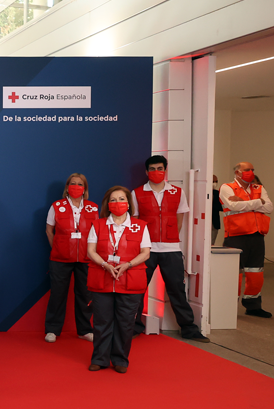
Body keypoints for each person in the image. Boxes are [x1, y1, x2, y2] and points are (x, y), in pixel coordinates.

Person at [132, 156, 210, 341]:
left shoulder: (177, 192)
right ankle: (134, 326)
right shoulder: (136, 193)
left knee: (177, 289)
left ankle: (189, 329)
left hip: (171, 248)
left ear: (165, 170)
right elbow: (134, 221)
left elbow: (179, 220)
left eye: (160, 168)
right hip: (145, 250)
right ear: (146, 172)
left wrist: (170, 239)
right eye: (152, 168)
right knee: (137, 289)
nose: (156, 172)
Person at [86, 186, 150, 373]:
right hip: (102, 279)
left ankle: (121, 359)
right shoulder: (97, 225)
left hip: (130, 280)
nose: (117, 203)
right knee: (101, 322)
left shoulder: (141, 226)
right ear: (108, 204)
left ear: (128, 203)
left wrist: (128, 264)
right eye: (113, 200)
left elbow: (145, 253)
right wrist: (105, 264)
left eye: (121, 199)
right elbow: (91, 251)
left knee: (125, 323)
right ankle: (100, 358)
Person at [44, 173, 97, 343]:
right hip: (60, 259)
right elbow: (49, 231)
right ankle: (52, 329)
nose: (76, 187)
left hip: (85, 259)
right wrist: (59, 248)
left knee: (85, 295)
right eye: (72, 183)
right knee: (58, 295)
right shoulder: (56, 206)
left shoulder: (93, 208)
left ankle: (84, 330)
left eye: (80, 184)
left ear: (85, 188)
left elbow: (96, 233)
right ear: (67, 187)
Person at [220, 161, 273, 318]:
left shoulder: (259, 188)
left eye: (252, 169)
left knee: (256, 272)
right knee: (233, 274)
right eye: (247, 170)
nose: (250, 172)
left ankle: (253, 306)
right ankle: (228, 306)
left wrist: (244, 202)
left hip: (256, 236)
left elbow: (269, 207)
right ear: (237, 173)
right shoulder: (227, 187)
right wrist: (258, 203)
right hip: (236, 236)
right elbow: (233, 206)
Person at [211, 175, 222, 246]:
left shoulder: (217, 193)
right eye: (213, 181)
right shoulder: (200, 192)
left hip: (214, 222)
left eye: (216, 181)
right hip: (203, 223)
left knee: (212, 243)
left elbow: (221, 207)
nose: (214, 183)